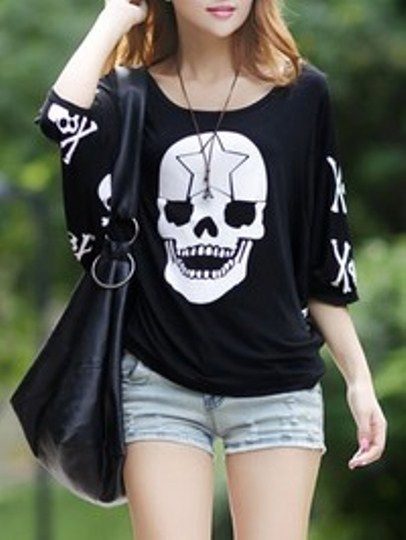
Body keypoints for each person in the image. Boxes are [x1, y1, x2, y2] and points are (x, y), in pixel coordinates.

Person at [35, 0, 387, 538]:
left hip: (277, 386)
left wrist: (359, 379)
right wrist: (115, 16)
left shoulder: (302, 95)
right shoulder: (130, 99)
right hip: (157, 383)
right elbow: (62, 120)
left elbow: (322, 257)